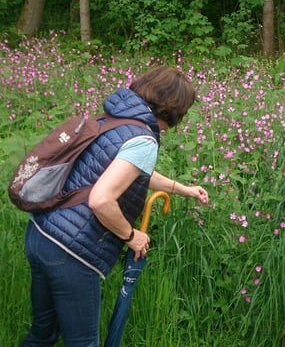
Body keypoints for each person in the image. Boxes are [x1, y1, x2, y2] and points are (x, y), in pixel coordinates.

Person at [20, 66, 209, 346]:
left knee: (43, 333)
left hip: (40, 233)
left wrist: (181, 189)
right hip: (70, 252)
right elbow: (101, 199)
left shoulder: (114, 119)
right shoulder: (143, 138)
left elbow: (129, 171)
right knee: (84, 342)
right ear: (173, 110)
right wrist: (132, 237)